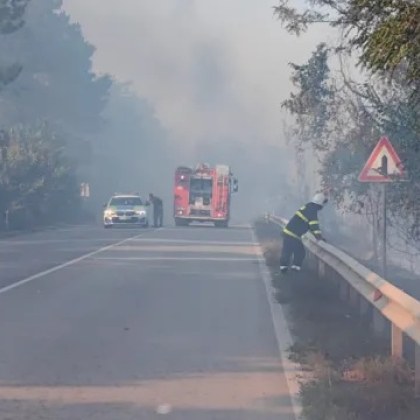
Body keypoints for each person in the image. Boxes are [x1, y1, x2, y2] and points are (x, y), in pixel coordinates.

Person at [279, 192, 328, 273]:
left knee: (287, 251)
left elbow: (307, 223)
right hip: (293, 235)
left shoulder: (308, 206)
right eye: (323, 203)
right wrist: (319, 237)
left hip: (288, 232)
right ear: (320, 203)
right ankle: (295, 272)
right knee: (300, 252)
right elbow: (314, 226)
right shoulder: (312, 210)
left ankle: (283, 270)